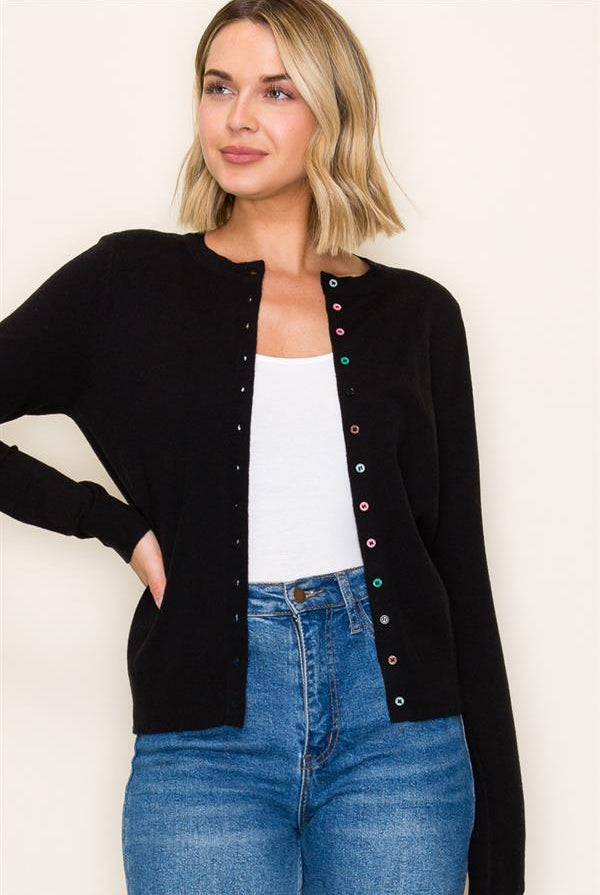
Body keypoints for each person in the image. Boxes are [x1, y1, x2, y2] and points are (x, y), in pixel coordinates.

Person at [0, 1, 525, 894]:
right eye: (219, 87)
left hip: (400, 742)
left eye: (276, 91)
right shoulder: (128, 283)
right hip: (206, 746)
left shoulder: (419, 316)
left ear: (333, 111)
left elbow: (460, 577)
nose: (238, 118)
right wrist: (111, 525)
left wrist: (501, 865)